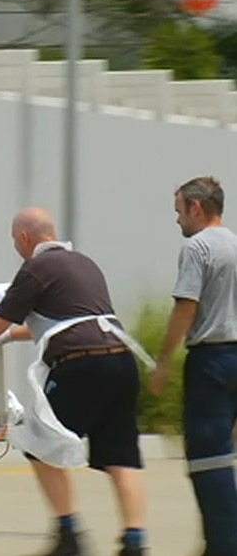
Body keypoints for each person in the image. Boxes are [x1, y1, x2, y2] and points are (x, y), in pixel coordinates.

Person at [0, 207, 148, 556]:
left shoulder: (35, 269)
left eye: (14, 240)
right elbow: (69, 320)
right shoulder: (84, 263)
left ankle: (69, 535)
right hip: (121, 362)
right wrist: (9, 337)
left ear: (24, 238)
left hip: (81, 367)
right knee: (121, 456)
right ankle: (134, 541)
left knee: (38, 443)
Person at [151, 176, 237, 556]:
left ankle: (223, 544)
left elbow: (186, 307)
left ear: (196, 208)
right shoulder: (235, 243)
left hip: (212, 360)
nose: (177, 221)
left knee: (208, 457)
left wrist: (163, 362)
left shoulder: (198, 247)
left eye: (179, 211)